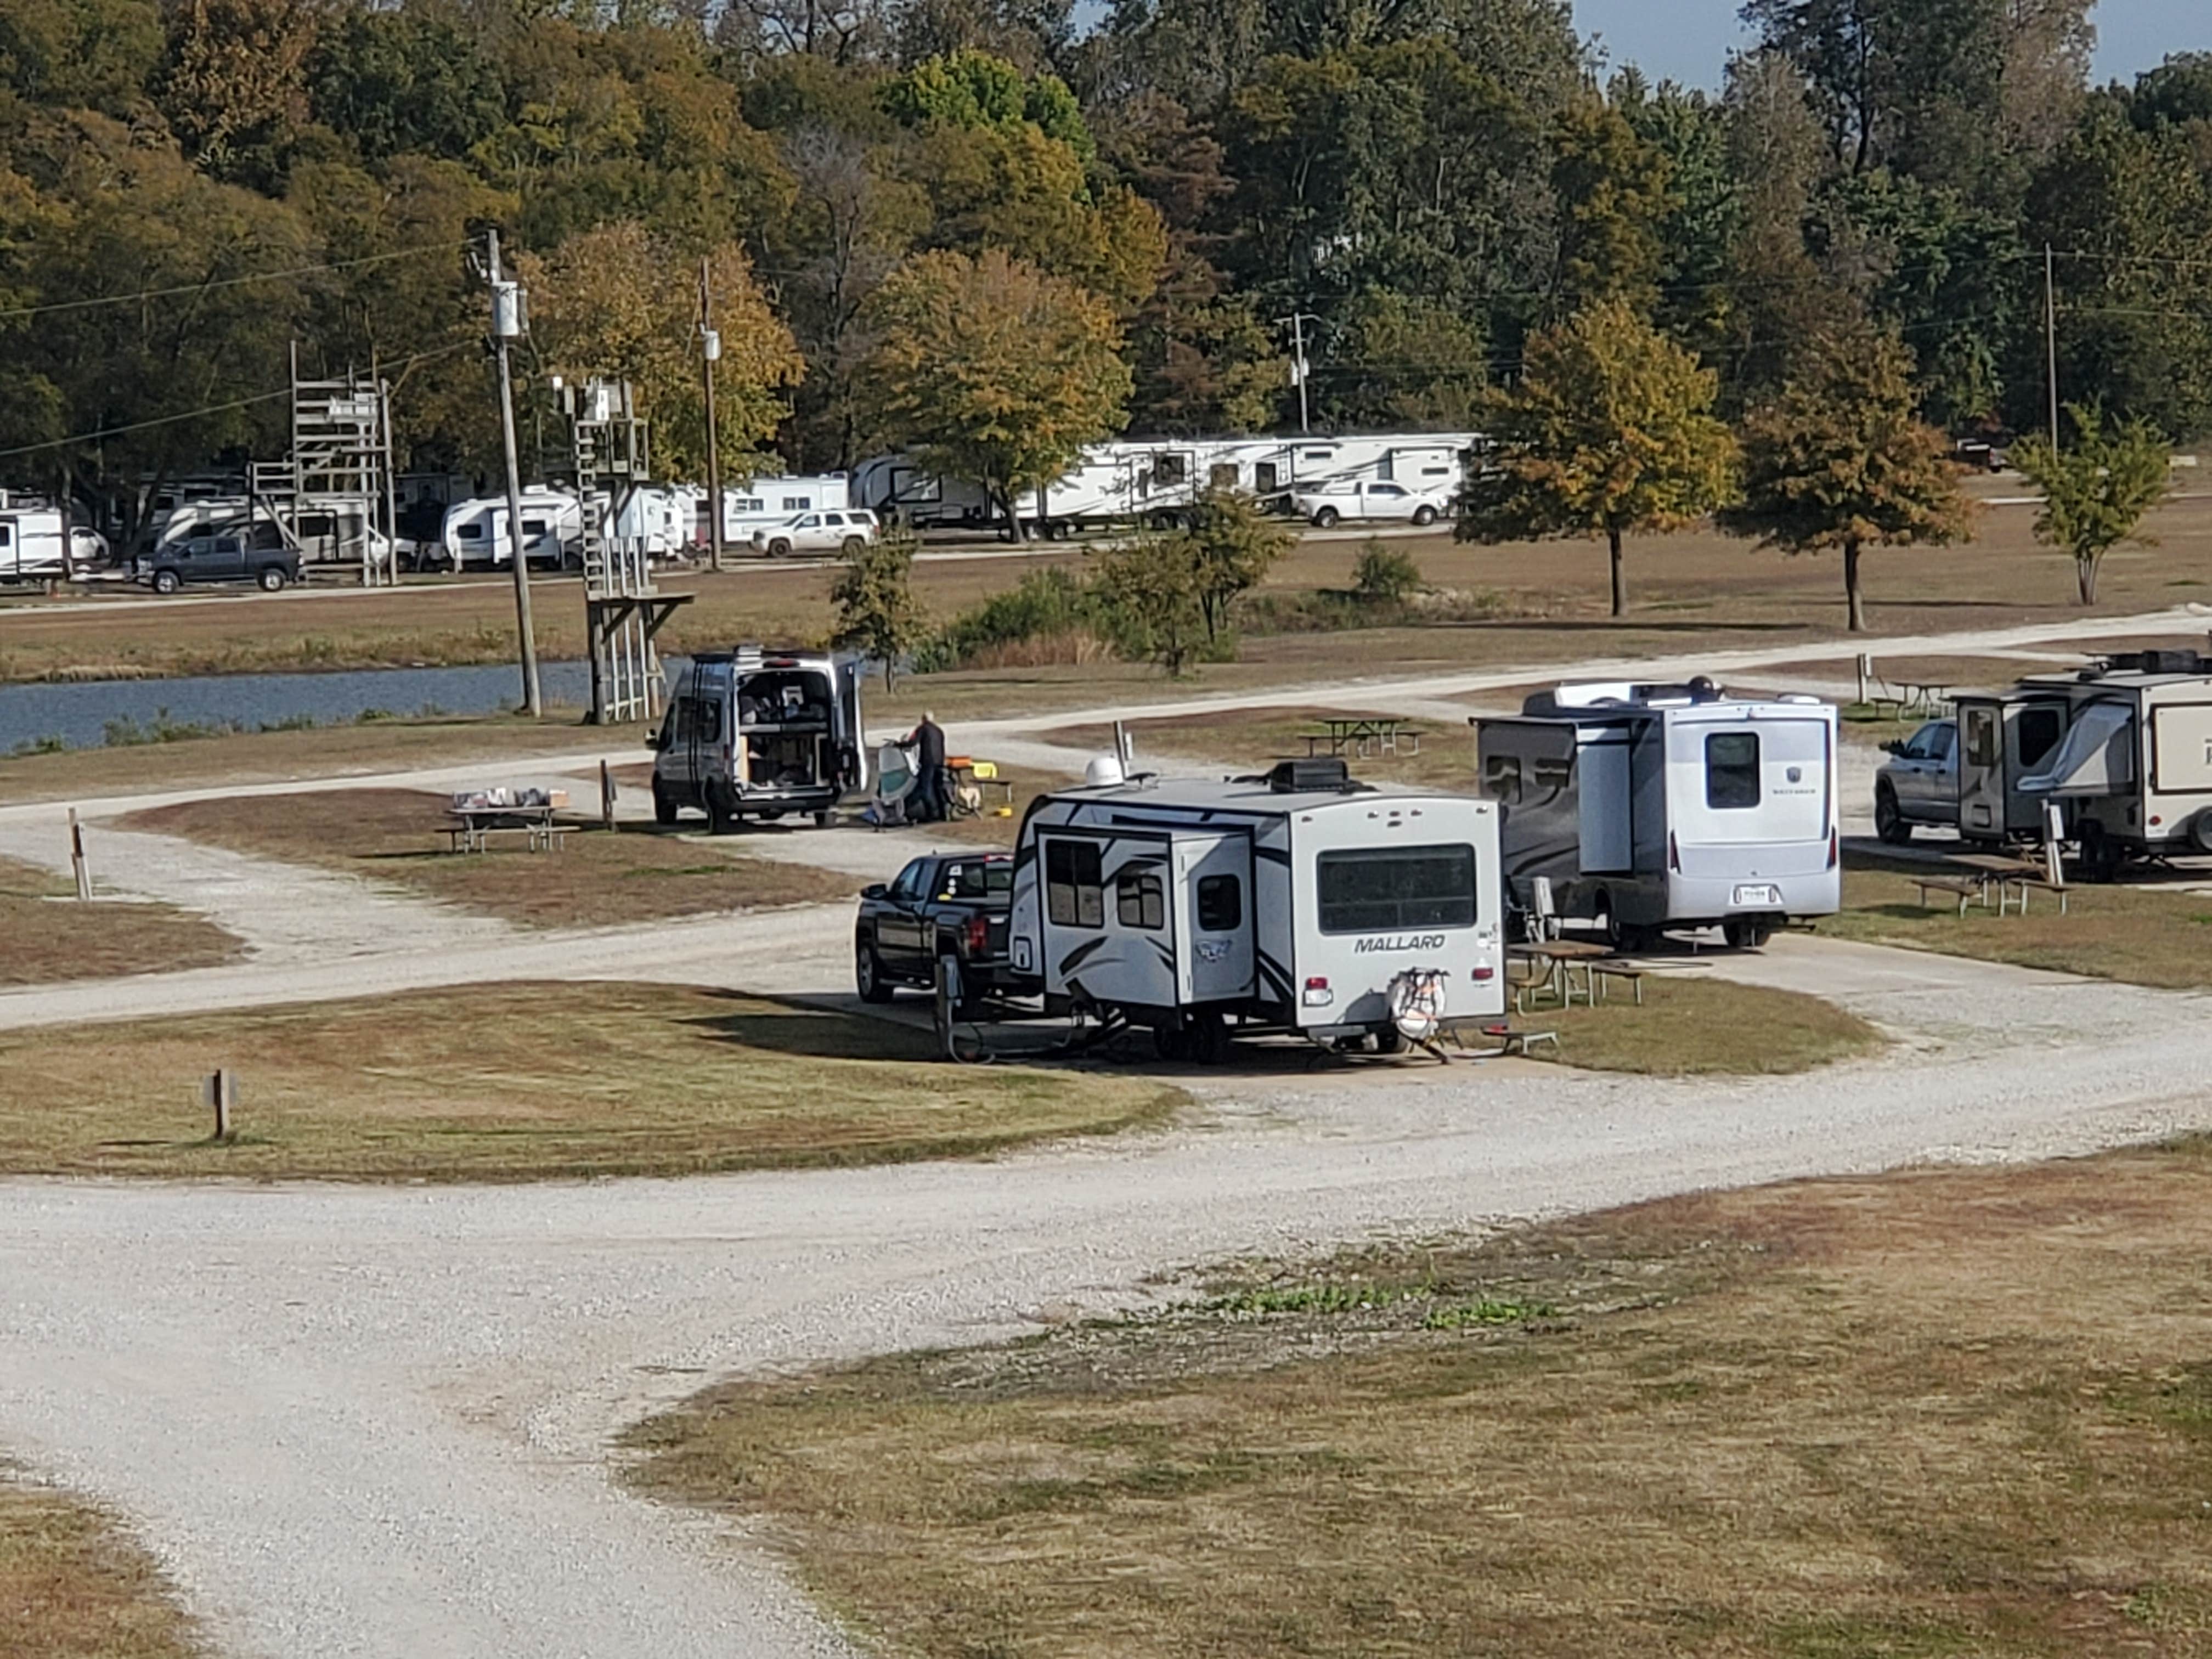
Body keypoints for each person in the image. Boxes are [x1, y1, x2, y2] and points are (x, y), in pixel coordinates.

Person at [902, 710, 947, 821]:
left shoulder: (922, 729)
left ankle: (928, 812)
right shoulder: (939, 730)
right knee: (938, 788)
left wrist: (901, 745)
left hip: (928, 762)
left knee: (924, 788)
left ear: (923, 719)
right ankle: (943, 814)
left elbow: (913, 743)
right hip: (940, 762)